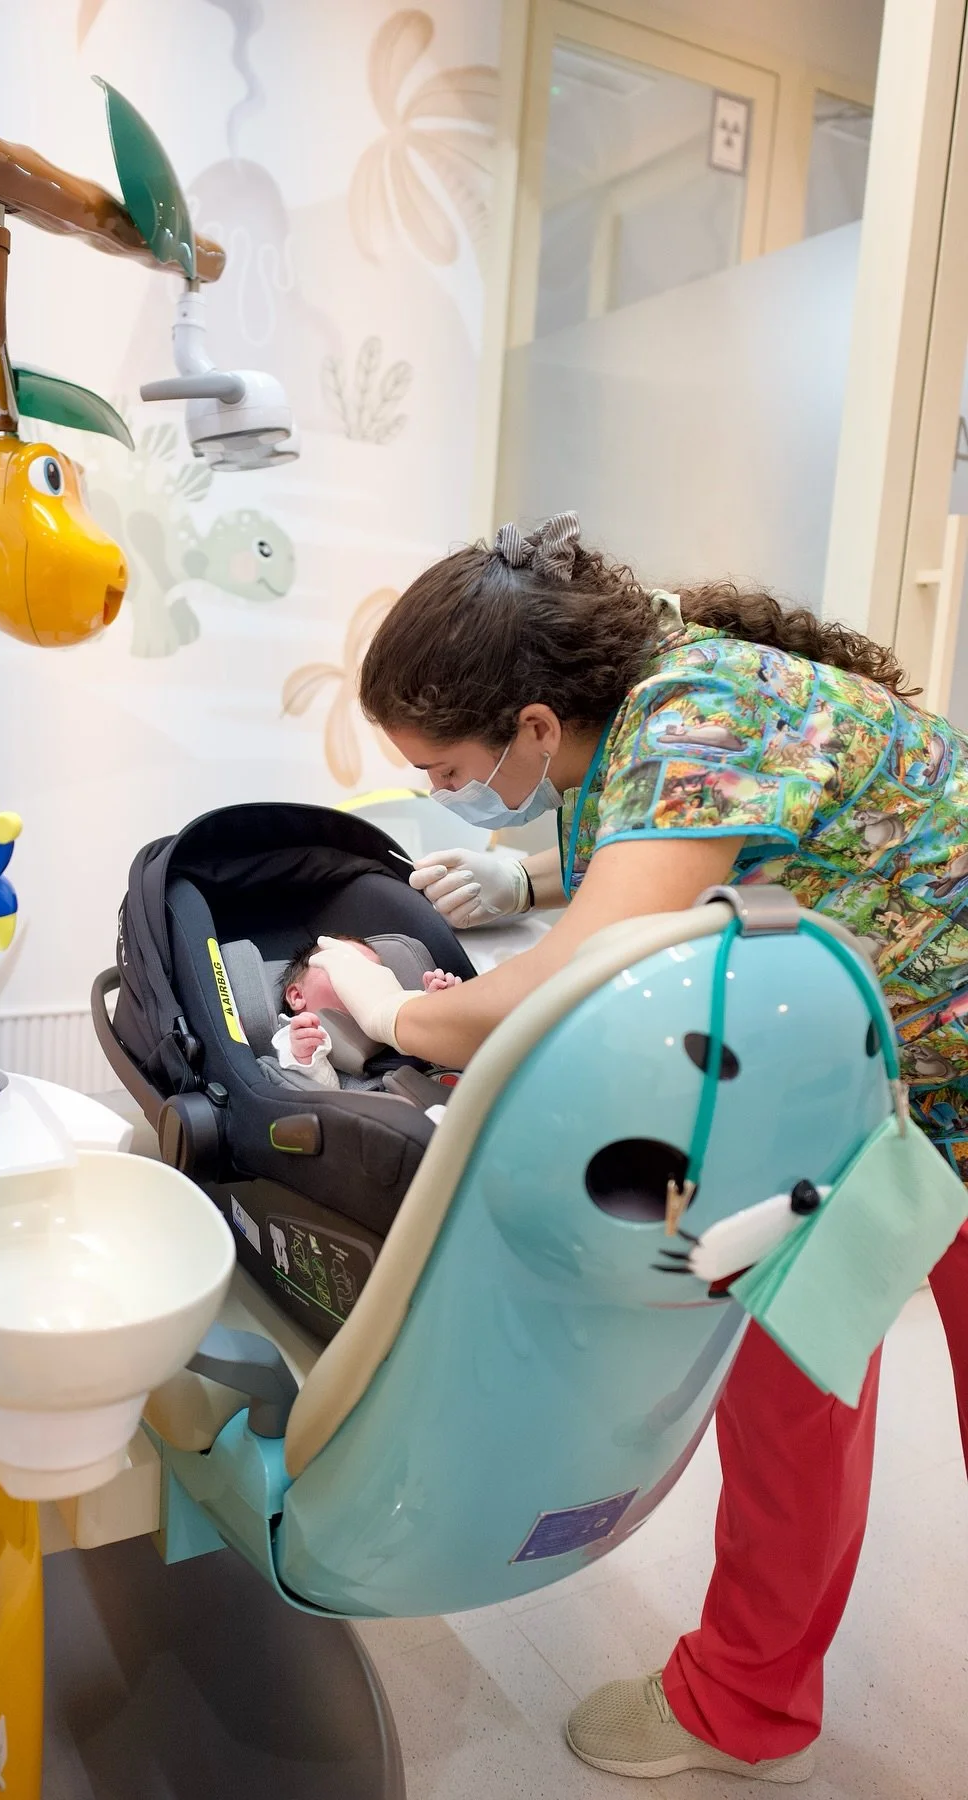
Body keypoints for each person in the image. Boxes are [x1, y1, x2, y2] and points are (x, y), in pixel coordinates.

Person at [309, 512, 968, 1784]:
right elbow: (699, 846)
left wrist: (388, 1011)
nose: (449, 800)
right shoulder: (621, 677)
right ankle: (746, 1708)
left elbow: (572, 981)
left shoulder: (700, 706)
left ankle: (746, 1698)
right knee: (791, 1389)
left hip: (940, 1069)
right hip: (849, 1078)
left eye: (450, 773)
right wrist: (528, 880)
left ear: (534, 728)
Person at [264, 937, 461, 1091]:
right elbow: (319, 1093)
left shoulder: (396, 1018)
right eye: (347, 968)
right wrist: (305, 1059)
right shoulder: (296, 1038)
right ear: (298, 996)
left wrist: (435, 1009)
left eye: (374, 971)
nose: (363, 979)